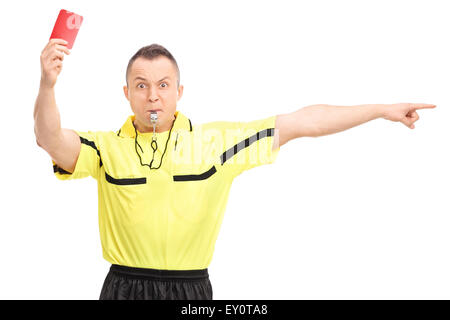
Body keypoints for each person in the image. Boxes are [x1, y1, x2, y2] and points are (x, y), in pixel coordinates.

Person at [34, 38, 436, 300]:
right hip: (124, 287)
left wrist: (381, 110)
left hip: (190, 291)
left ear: (179, 91)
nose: (152, 95)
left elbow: (302, 121)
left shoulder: (215, 144)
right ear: (127, 94)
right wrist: (47, 85)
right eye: (141, 85)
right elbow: (49, 138)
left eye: (163, 84)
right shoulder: (106, 147)